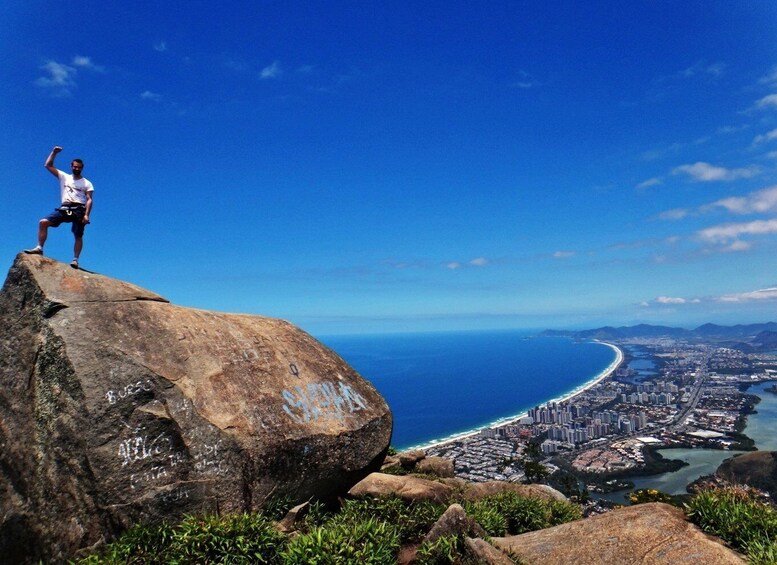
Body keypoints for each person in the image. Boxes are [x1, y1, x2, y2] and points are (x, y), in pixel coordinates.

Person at [24, 146, 94, 268]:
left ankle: (75, 260)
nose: (76, 168)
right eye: (74, 166)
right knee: (43, 222)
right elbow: (48, 165)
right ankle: (39, 248)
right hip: (65, 207)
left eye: (79, 167)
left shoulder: (87, 183)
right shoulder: (64, 177)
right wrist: (54, 152)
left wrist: (87, 214)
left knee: (78, 234)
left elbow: (89, 199)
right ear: (71, 166)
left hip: (79, 209)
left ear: (82, 168)